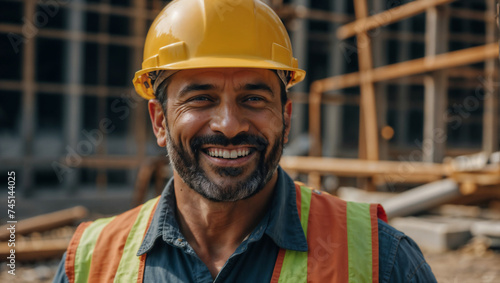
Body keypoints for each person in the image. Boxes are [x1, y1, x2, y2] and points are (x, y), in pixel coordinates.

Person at [53, 0, 437, 282]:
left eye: (253, 99)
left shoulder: (382, 260)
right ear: (159, 121)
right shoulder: (90, 262)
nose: (229, 125)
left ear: (285, 120)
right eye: (201, 98)